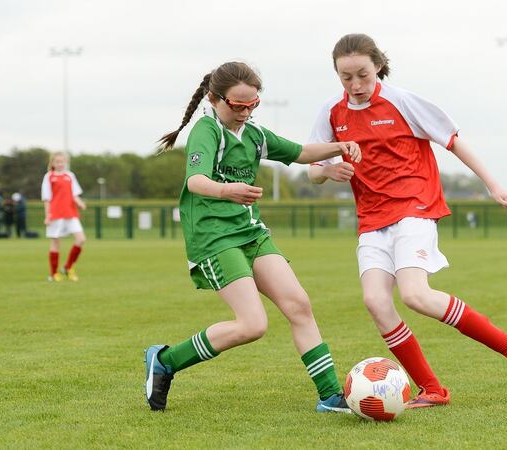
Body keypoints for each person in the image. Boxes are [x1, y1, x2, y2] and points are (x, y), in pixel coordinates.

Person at [307, 33, 507, 408]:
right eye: (345, 77)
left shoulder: (403, 101)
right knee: (375, 301)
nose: (355, 85)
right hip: (372, 219)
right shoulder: (330, 112)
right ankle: (432, 389)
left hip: (414, 208)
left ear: (378, 67)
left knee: (415, 294)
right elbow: (314, 170)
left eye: (363, 75)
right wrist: (331, 171)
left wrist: (492, 184)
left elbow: (453, 140)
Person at [144, 61, 362, 413]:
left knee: (299, 305)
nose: (245, 112)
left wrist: (341, 145)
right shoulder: (207, 129)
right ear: (215, 99)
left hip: (251, 233)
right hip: (214, 237)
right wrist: (228, 190)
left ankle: (330, 395)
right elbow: (195, 181)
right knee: (253, 324)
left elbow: (301, 152)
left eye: (253, 105)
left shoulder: (254, 135)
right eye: (237, 105)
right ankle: (166, 361)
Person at [42, 152, 86, 282]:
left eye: (62, 161)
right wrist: (47, 215)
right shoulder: (49, 177)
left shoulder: (70, 176)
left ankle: (68, 267)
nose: (60, 164)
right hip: (55, 214)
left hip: (70, 213)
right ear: (53, 163)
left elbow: (74, 193)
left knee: (81, 239)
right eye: (57, 161)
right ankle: (54, 273)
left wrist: (80, 203)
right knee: (56, 243)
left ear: (66, 162)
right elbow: (46, 198)